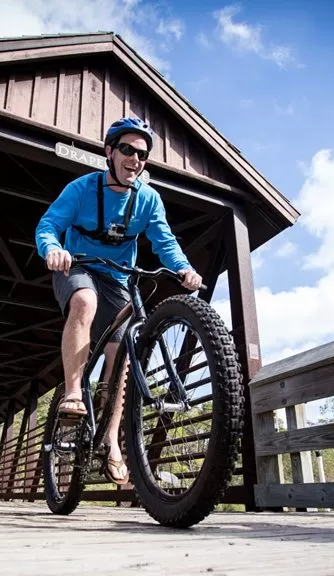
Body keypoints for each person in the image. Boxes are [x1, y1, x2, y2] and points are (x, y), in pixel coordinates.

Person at [34, 116, 203, 485]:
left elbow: (165, 242)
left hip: (118, 279)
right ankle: (75, 395)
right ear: (109, 152)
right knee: (84, 302)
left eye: (142, 154)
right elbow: (48, 224)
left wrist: (185, 269)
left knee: (122, 356)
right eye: (127, 150)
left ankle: (111, 439)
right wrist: (53, 249)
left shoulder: (148, 200)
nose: (136, 159)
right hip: (76, 268)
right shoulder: (81, 189)